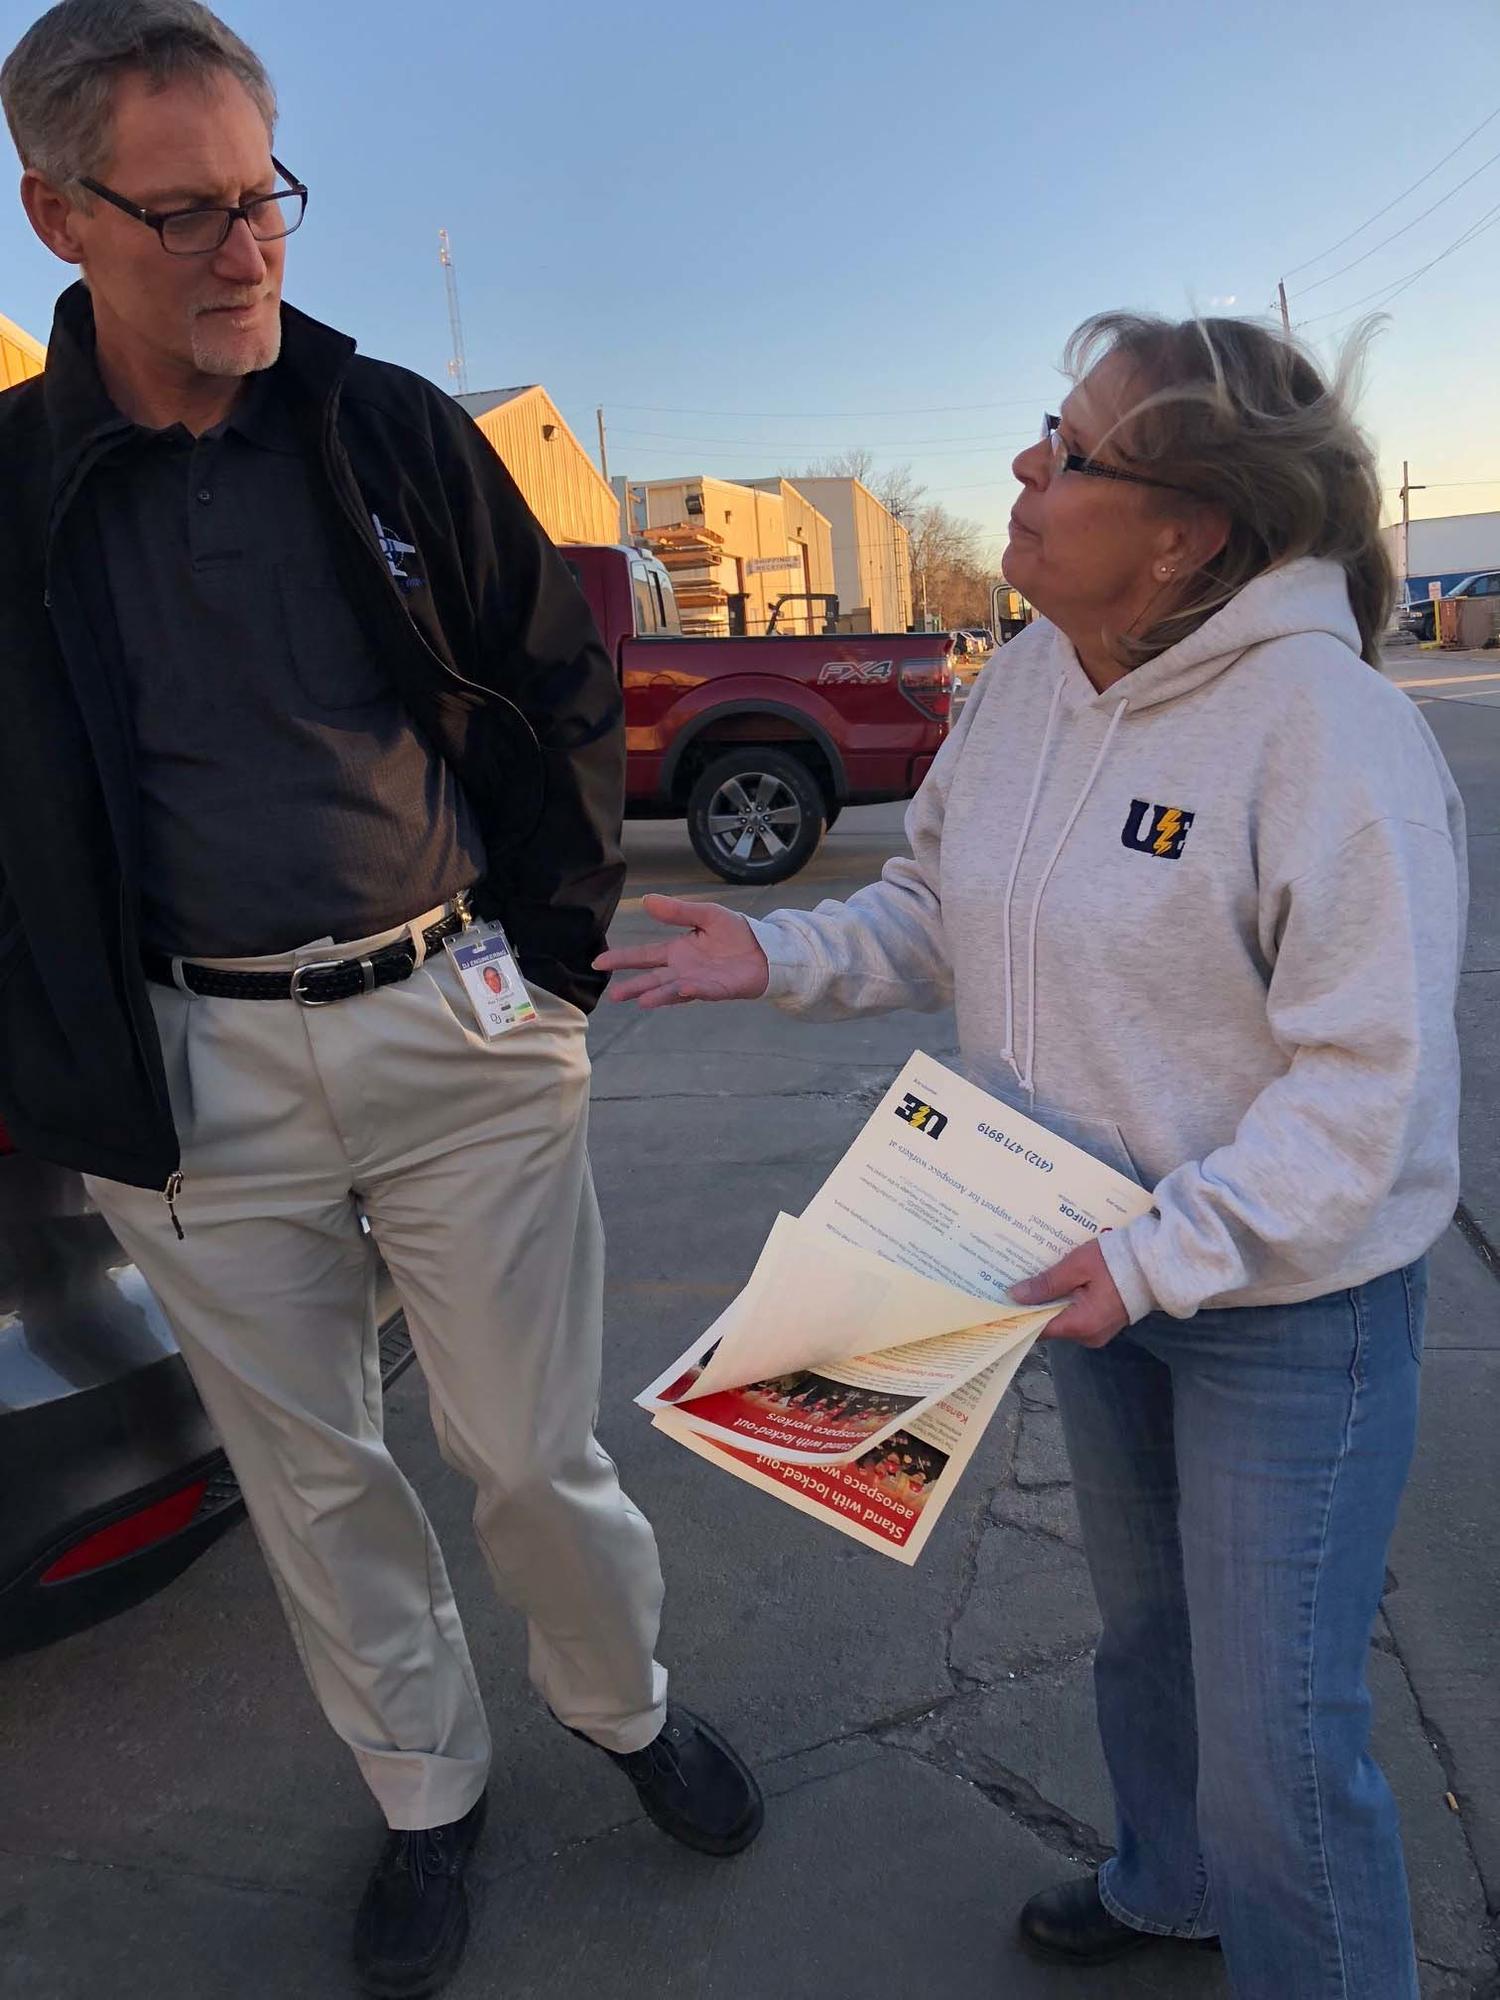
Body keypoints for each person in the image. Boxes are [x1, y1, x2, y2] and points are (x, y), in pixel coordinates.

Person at [0, 4, 760, 1995]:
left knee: (528, 1453)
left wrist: (559, 960)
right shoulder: (11, 492)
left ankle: (620, 1706)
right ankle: (428, 1795)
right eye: (187, 213)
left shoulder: (389, 424)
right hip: (189, 1079)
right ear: (59, 217)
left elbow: (561, 685)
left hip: (461, 1025)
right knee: (313, 1476)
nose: (249, 248)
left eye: (266, 196)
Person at [598, 311, 1465, 1998]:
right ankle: (1169, 1884)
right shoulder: (1027, 691)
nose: (1023, 466)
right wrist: (774, 954)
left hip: (1287, 1311)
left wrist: (1156, 1257)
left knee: (1282, 1739)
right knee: (1147, 1638)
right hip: (1071, 1265)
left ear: (1185, 531)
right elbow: (940, 901)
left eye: (1069, 452)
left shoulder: (1328, 732)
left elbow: (1370, 1088)